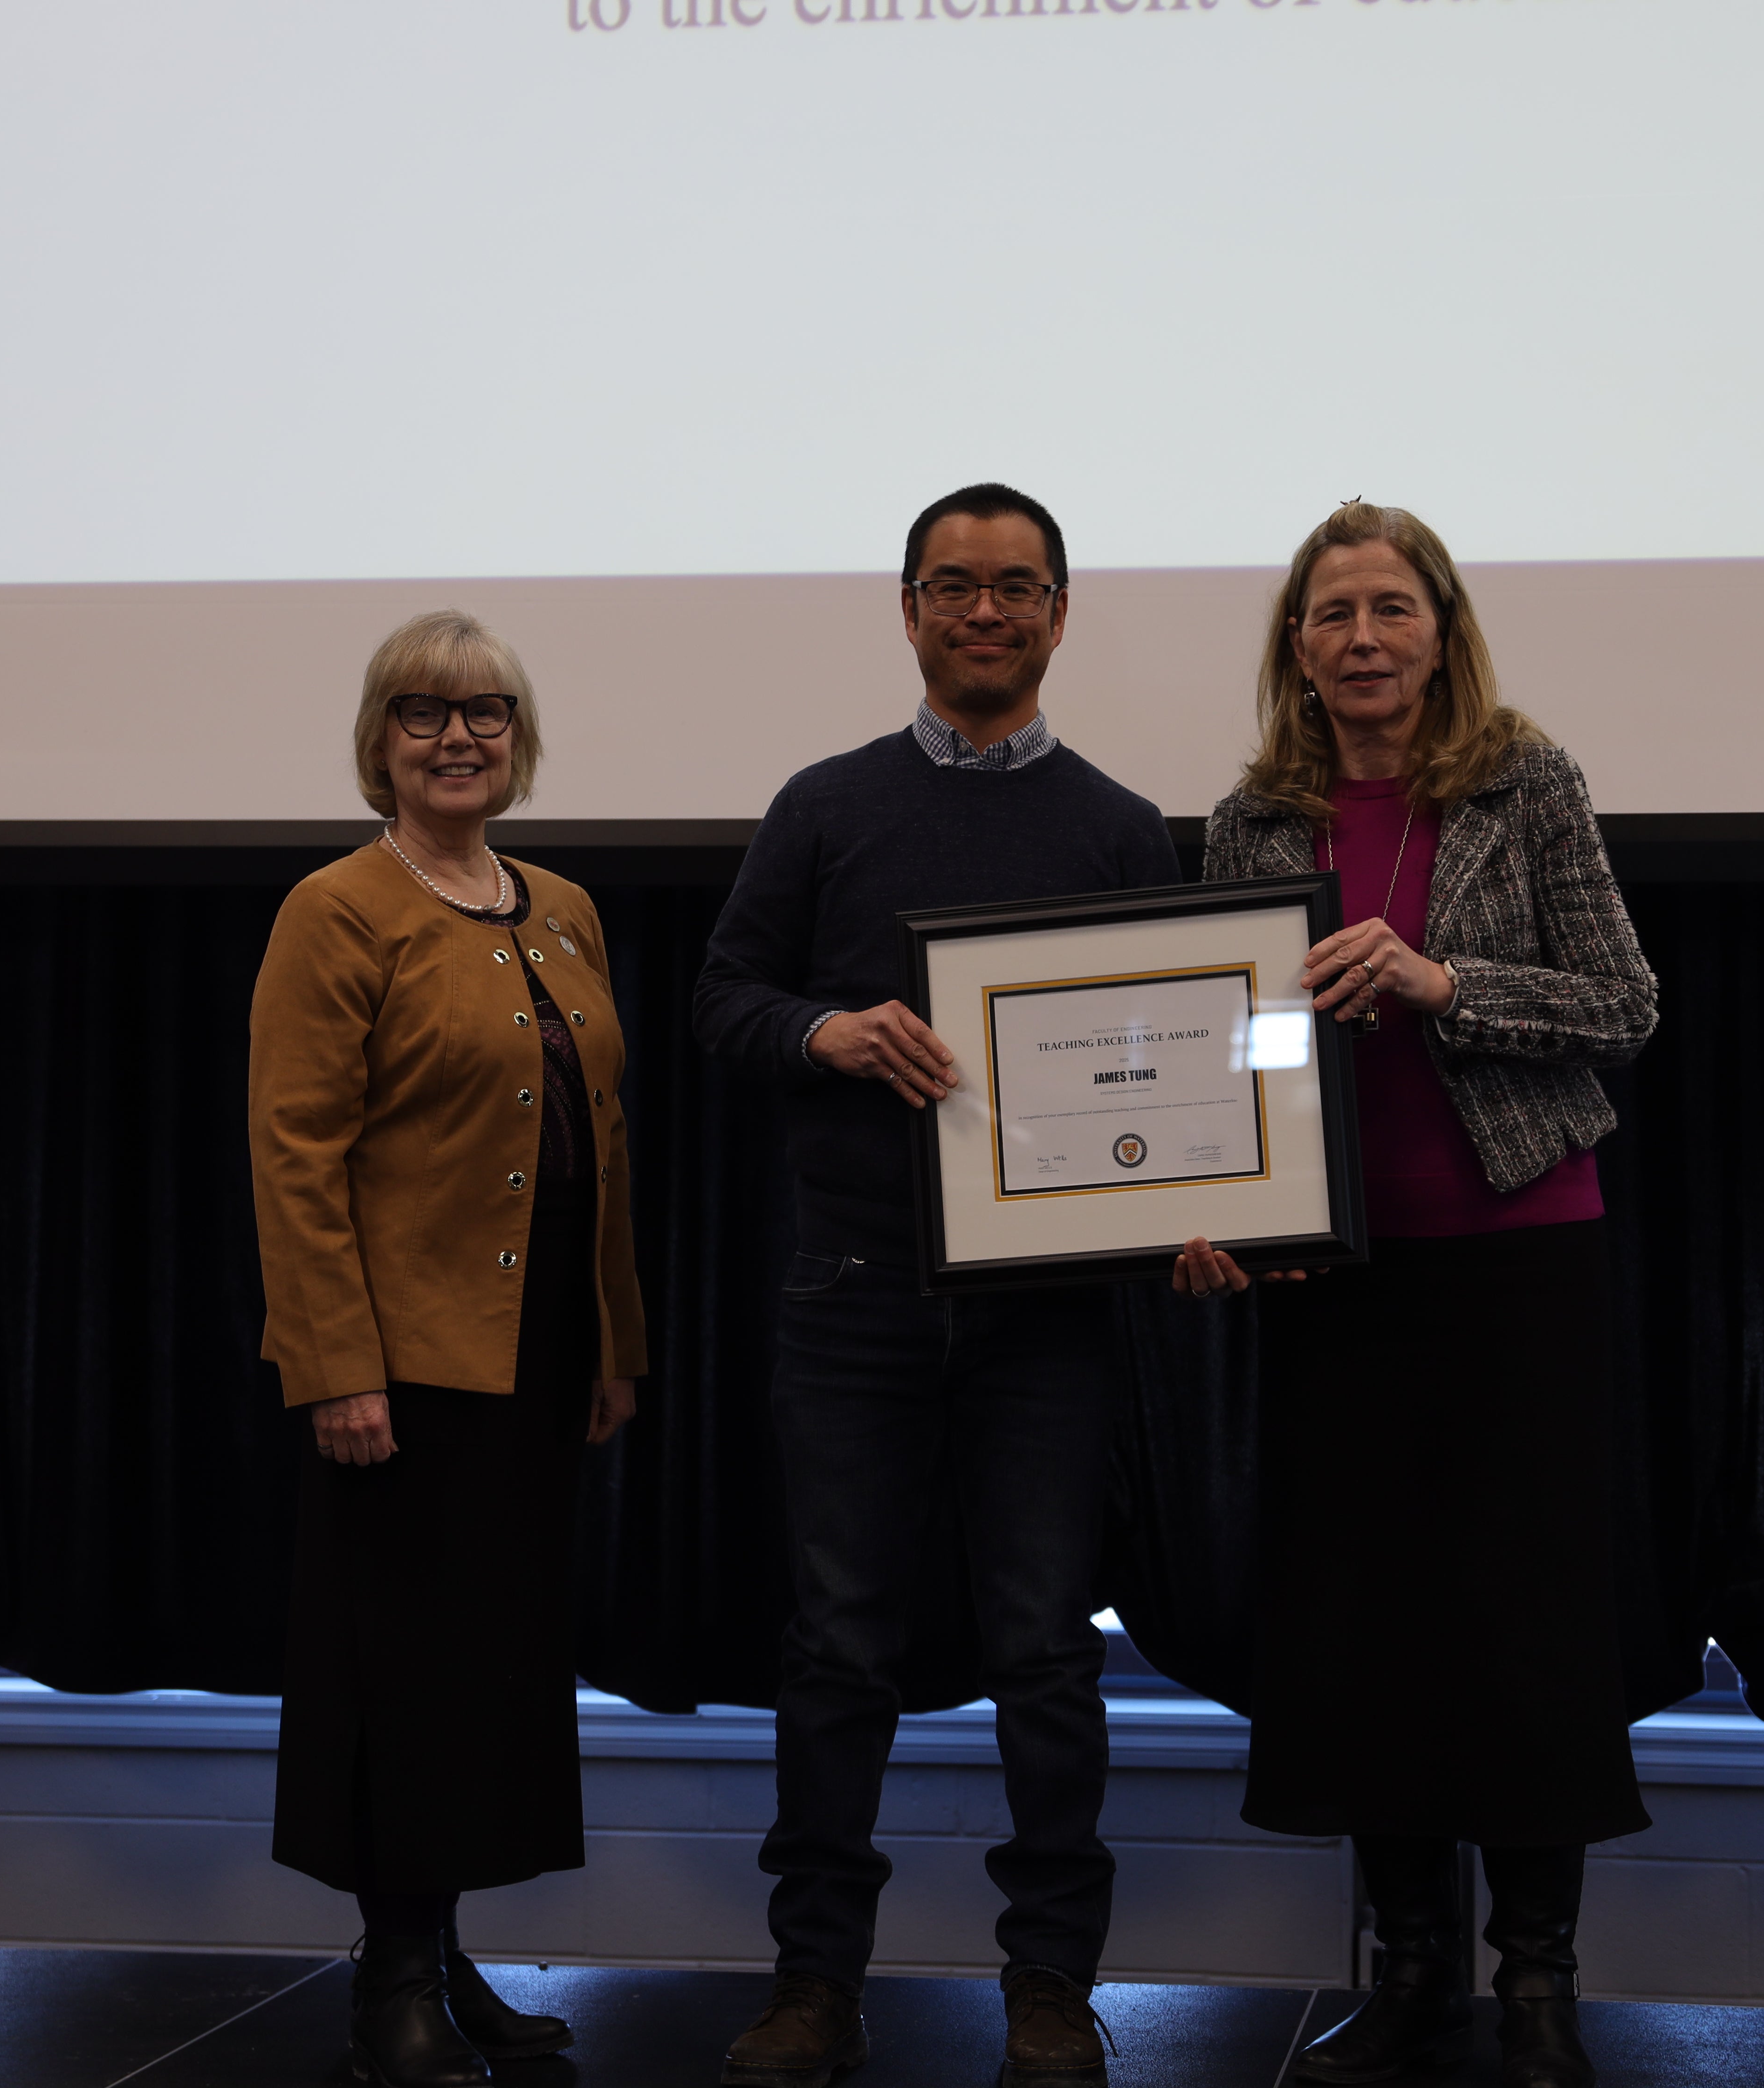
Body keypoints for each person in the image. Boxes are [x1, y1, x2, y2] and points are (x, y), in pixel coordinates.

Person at [693, 484, 1181, 2088]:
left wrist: (1196, 1186)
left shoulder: (1116, 826)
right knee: (839, 1648)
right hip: (852, 1297)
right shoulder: (824, 804)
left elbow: (1154, 1062)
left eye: (1017, 588)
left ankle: (1051, 1988)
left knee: (1047, 1648)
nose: (986, 613)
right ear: (906, 609)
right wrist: (824, 1032)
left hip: (1047, 1315)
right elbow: (724, 1005)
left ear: (1061, 613)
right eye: (954, 587)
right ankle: (814, 1986)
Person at [1172, 503, 1656, 2088]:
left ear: (1442, 627)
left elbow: (1625, 1004)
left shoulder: (1530, 784)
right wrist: (1217, 1204)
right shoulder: (1252, 820)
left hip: (1520, 1251)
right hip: (1336, 1274)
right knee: (1358, 1625)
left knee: (1520, 1619)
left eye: (1391, 609)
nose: (1363, 639)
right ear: (1295, 649)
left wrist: (1446, 983)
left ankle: (1538, 1987)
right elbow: (1231, 1045)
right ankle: (1411, 1977)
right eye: (1332, 616)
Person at [247, 608, 648, 2088]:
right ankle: (390, 1980)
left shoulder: (562, 906)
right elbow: (296, 1156)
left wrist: (616, 1341)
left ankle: (450, 1950)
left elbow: (599, 1142)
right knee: (402, 1670)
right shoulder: (337, 909)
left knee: (493, 1668)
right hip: (403, 1366)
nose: (457, 736)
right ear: (381, 742)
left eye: (485, 711)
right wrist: (333, 1363)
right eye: (423, 713)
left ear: (517, 737)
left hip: (541, 1356)